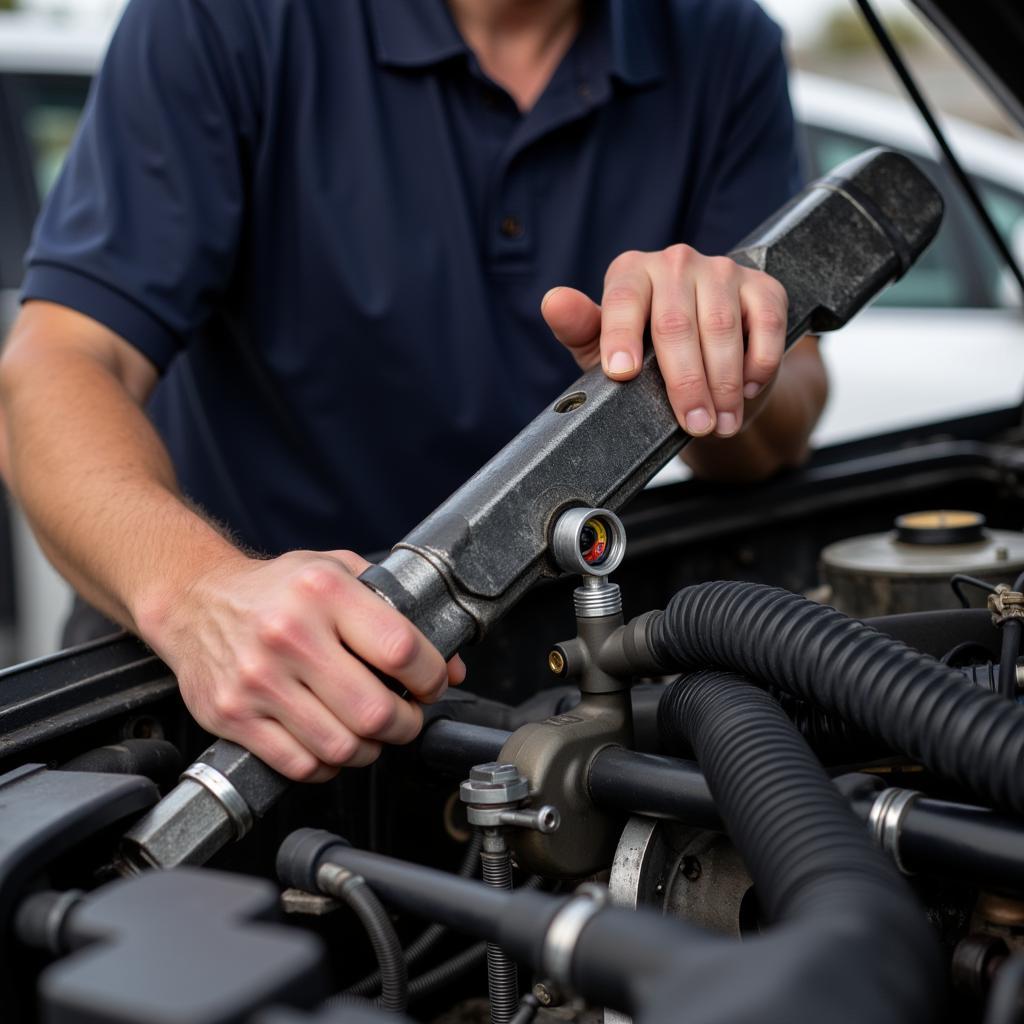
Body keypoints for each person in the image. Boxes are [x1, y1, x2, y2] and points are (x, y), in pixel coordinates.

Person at [0, 0, 827, 782]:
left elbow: (787, 409)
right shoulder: (226, 17)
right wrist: (194, 593)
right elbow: (62, 360)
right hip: (226, 683)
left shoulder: (724, 43)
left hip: (549, 674)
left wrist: (717, 367)